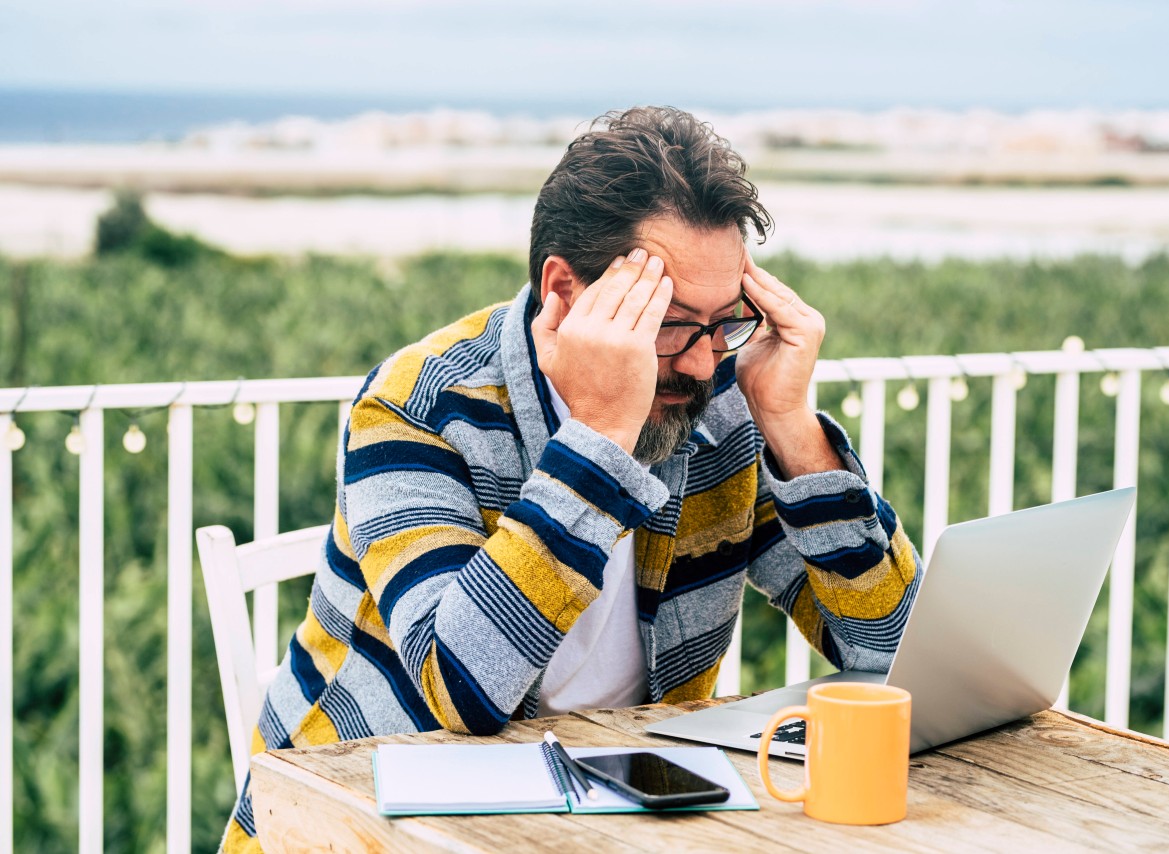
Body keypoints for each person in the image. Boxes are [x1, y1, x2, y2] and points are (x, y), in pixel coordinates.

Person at [221, 105, 920, 852]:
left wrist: (792, 428)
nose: (702, 361)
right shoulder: (419, 405)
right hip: (353, 825)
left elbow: (892, 651)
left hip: (612, 824)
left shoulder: (718, 409)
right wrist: (600, 439)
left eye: (724, 323)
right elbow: (461, 689)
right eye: (669, 320)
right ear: (564, 290)